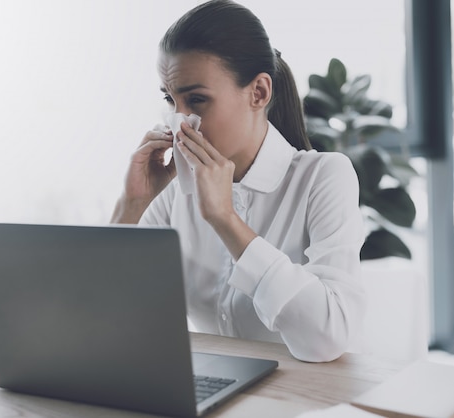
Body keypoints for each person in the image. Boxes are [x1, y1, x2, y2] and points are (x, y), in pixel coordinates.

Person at [111, 0, 365, 362]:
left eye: (197, 100)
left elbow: (328, 338)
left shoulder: (323, 176)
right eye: (172, 100)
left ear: (258, 93)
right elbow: (107, 318)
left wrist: (225, 219)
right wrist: (132, 205)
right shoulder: (173, 193)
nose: (181, 122)